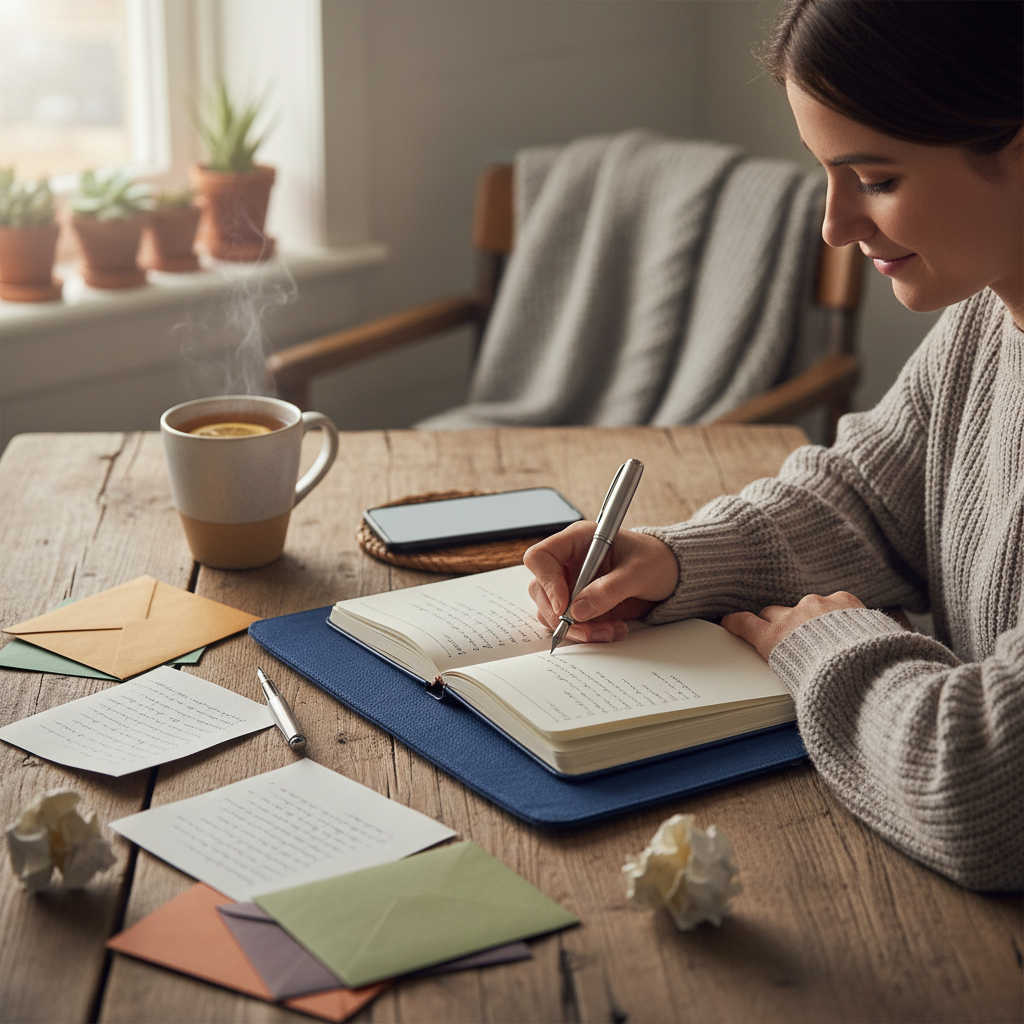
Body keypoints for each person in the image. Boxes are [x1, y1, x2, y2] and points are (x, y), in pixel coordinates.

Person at [524, 0, 1023, 892]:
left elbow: (984, 786)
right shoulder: (992, 316)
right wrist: (676, 562)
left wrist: (829, 644)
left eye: (873, 178)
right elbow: (869, 501)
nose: (835, 226)